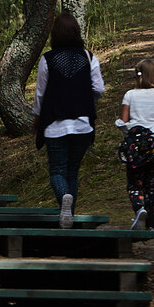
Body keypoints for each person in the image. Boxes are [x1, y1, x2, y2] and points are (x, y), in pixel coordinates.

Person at [33, 12, 104, 229]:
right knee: (72, 171)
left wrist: (37, 117)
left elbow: (40, 94)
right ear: (77, 32)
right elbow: (99, 88)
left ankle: (64, 199)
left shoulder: (48, 59)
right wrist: (84, 100)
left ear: (54, 34)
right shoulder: (89, 57)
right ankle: (68, 217)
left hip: (55, 124)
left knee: (57, 171)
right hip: (83, 124)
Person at [115, 59, 154, 237]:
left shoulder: (130, 95)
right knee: (151, 183)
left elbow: (123, 121)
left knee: (134, 182)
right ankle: (151, 226)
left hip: (136, 145)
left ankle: (139, 208)